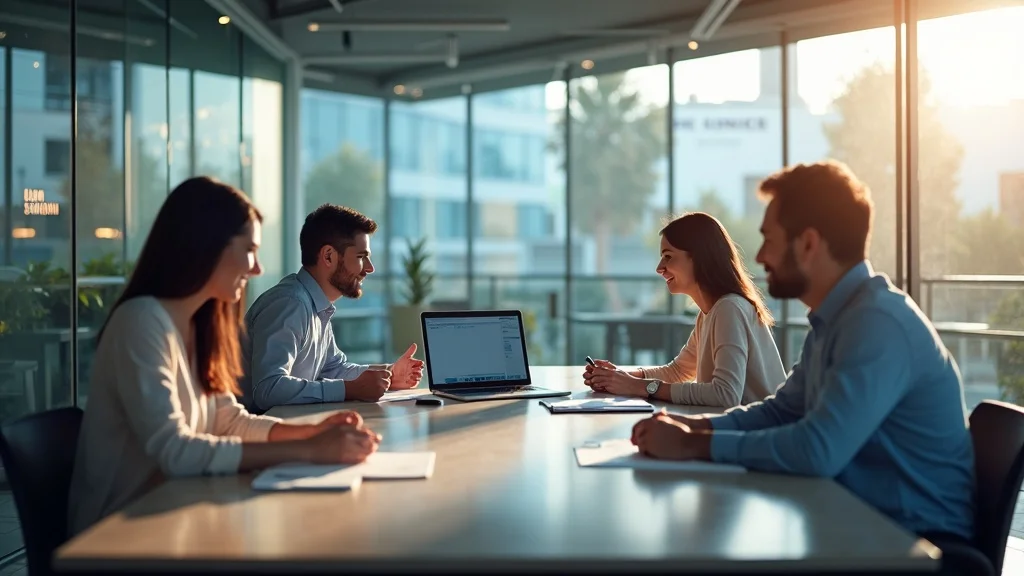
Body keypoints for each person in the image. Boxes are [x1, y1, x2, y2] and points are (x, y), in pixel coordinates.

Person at [631, 161, 975, 548]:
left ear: (809, 243)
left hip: (918, 544)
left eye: (769, 239)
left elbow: (817, 449)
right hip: (860, 521)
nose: (759, 256)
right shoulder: (837, 320)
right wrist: (695, 428)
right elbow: (780, 410)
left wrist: (694, 445)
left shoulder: (877, 324)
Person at [68, 177, 380, 535]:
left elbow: (229, 422)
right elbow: (176, 450)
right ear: (207, 247)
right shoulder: (140, 323)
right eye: (250, 249)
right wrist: (308, 450)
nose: (257, 269)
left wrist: (313, 432)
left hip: (176, 515)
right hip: (119, 534)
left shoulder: (198, 326)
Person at [583, 212, 786, 407]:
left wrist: (639, 387)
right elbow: (679, 371)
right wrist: (620, 377)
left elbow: (725, 394)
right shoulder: (710, 313)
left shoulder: (729, 309)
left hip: (761, 437)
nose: (659, 267)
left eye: (668, 256)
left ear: (699, 258)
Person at [240, 204, 424, 413]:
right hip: (254, 437)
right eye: (361, 257)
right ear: (328, 256)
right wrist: (349, 390)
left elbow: (334, 369)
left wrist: (390, 375)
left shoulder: (316, 305)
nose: (370, 268)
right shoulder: (290, 304)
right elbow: (268, 389)